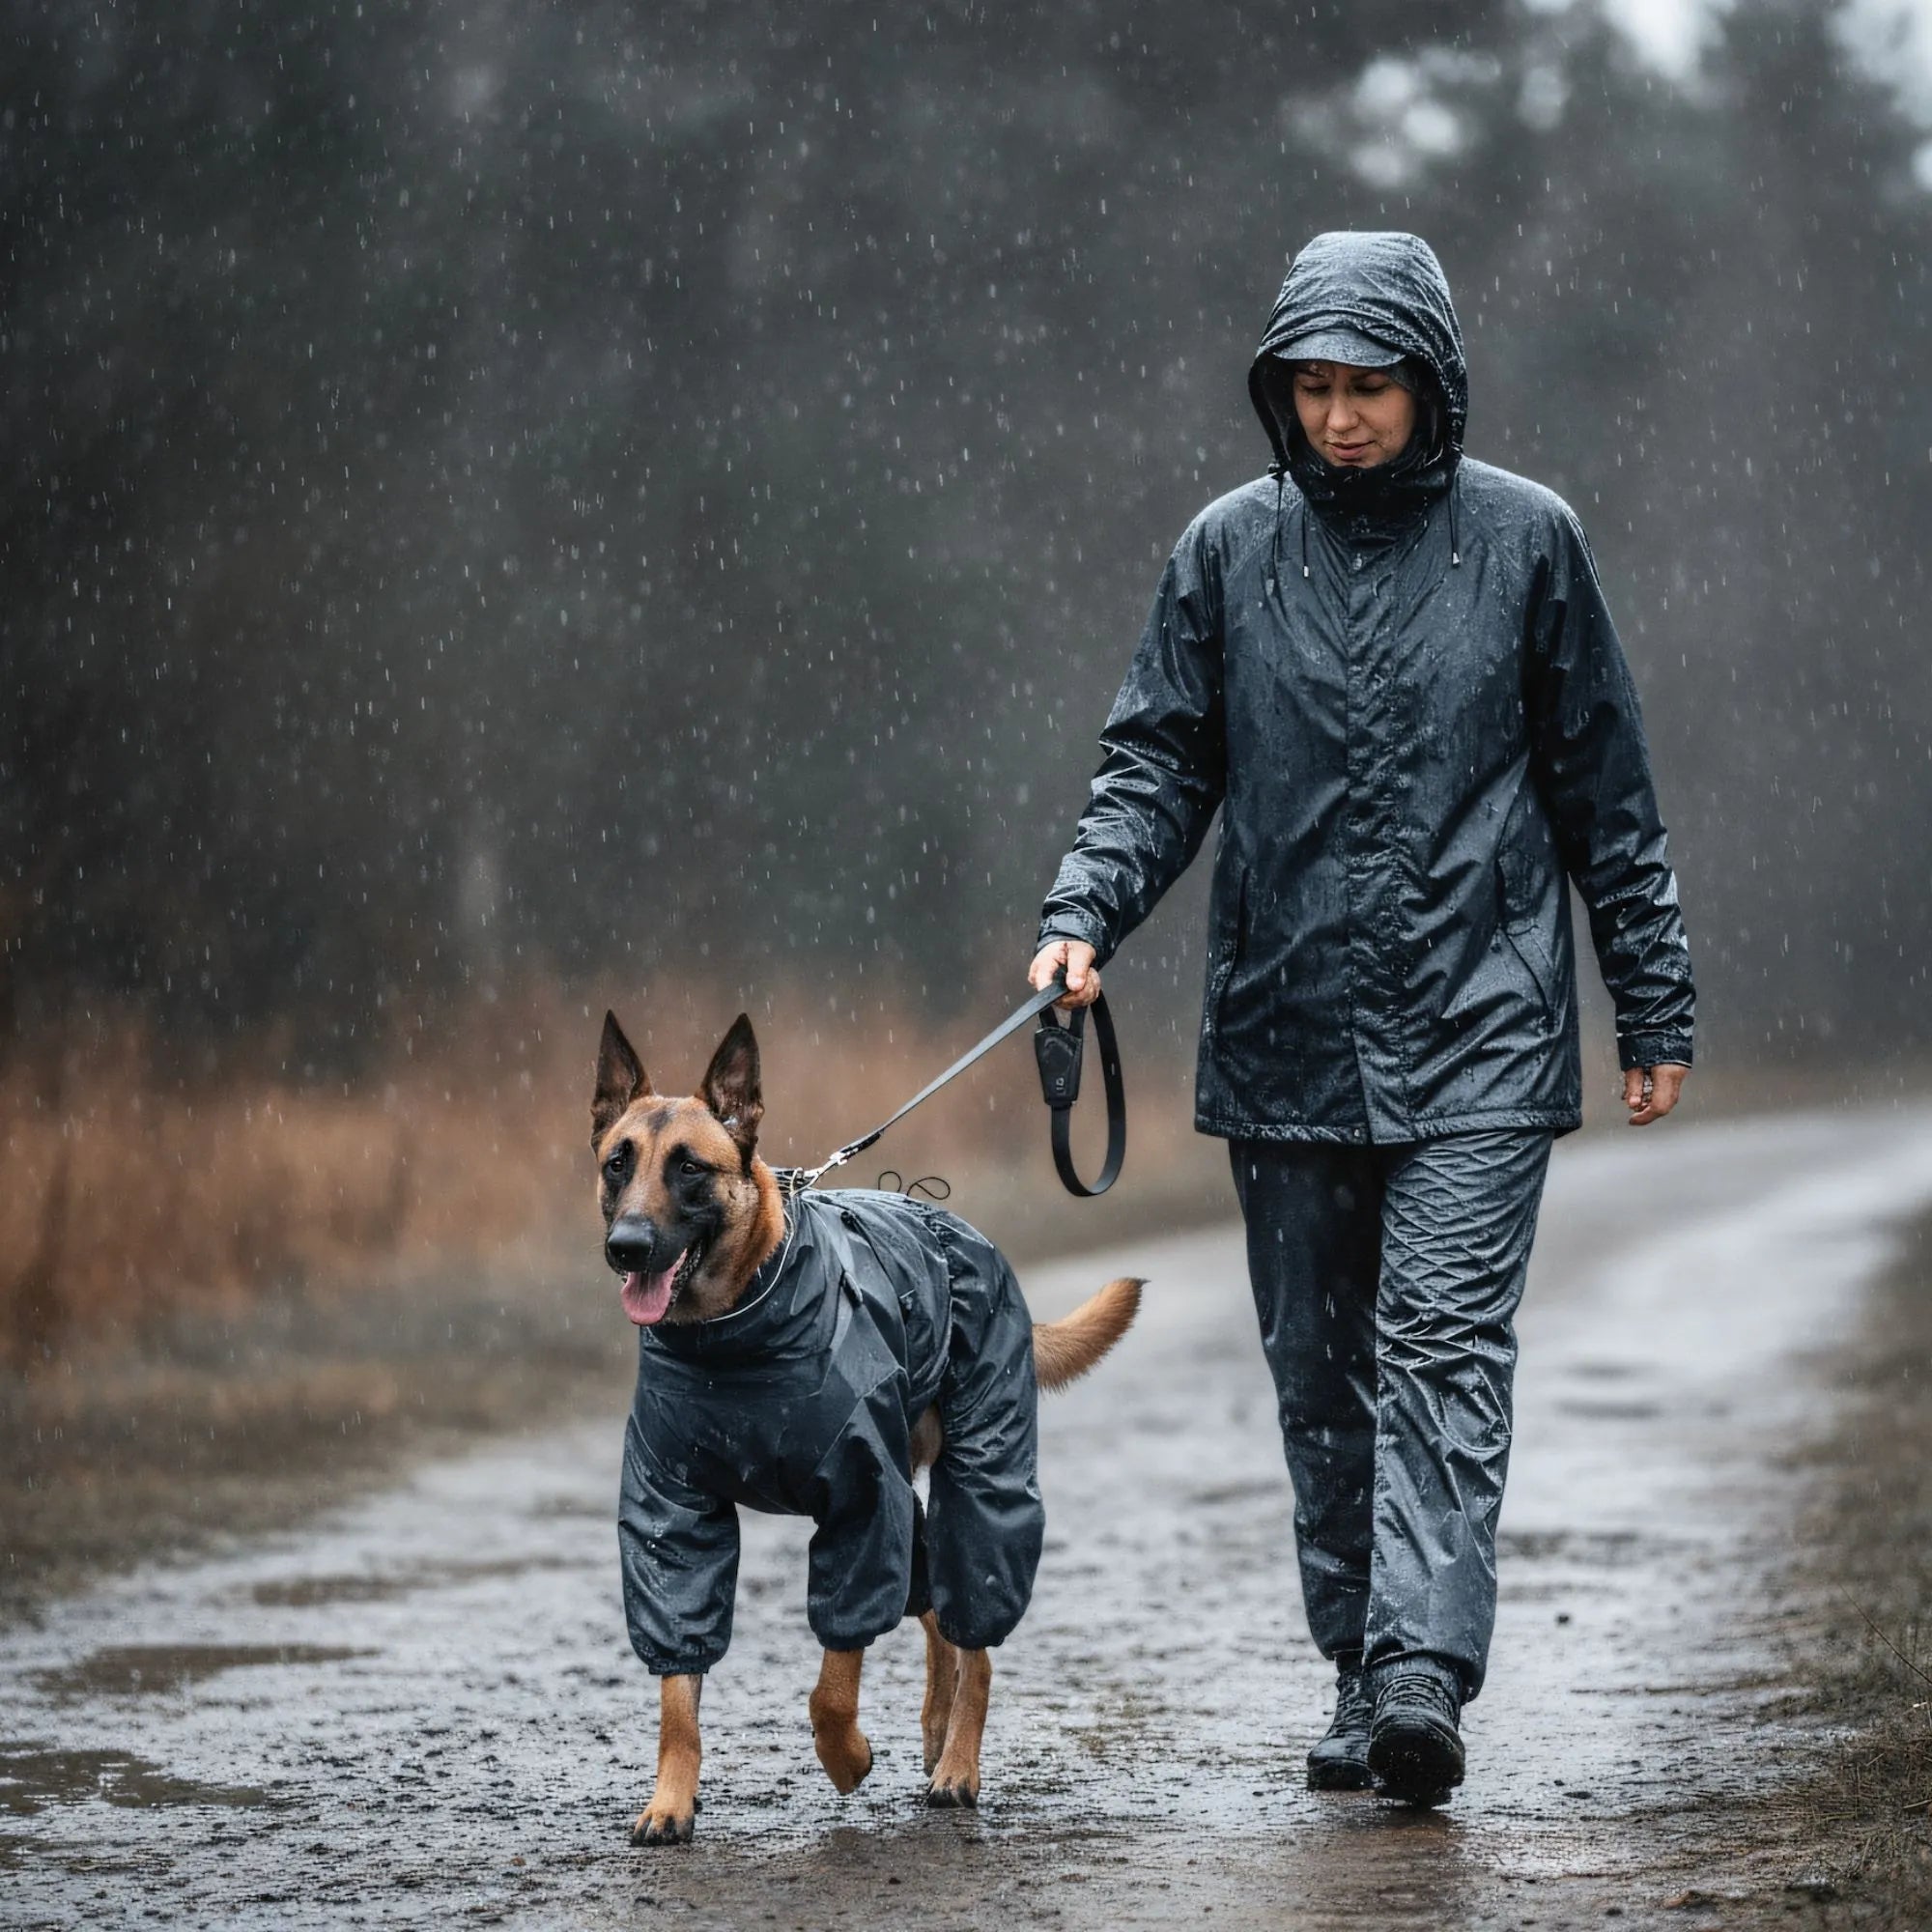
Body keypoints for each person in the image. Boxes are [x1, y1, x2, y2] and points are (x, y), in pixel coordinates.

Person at [1028, 230, 1694, 1806]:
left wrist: (1652, 999)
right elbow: (1156, 765)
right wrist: (1079, 918)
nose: (1340, 419)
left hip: (1487, 1026)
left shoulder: (1531, 544)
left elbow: (1609, 792)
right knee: (1320, 1373)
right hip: (1286, 1034)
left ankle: (1419, 1675)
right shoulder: (1223, 554)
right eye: (1313, 389)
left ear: (1432, 385)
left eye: (1370, 389)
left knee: (1441, 1349)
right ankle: (1358, 1666)